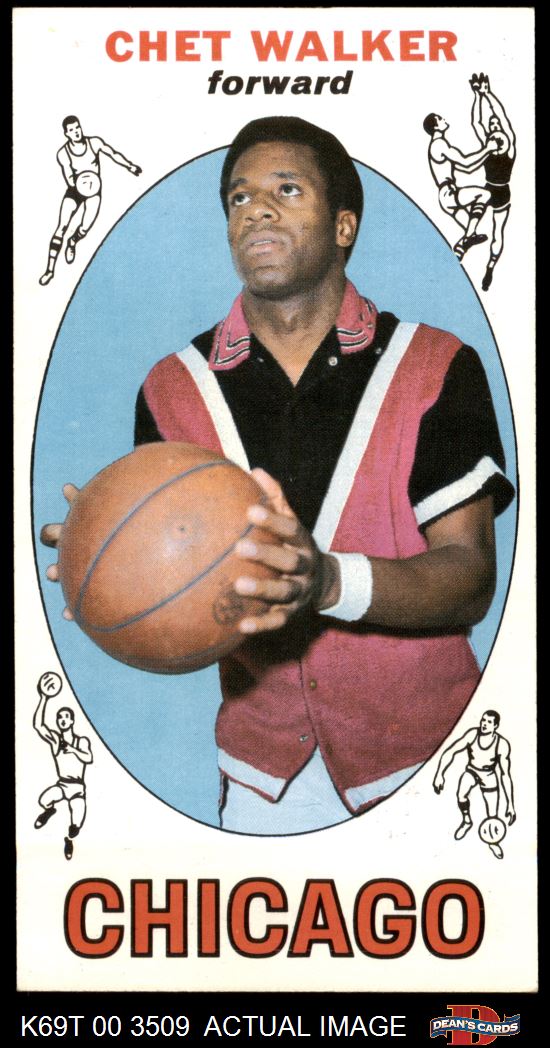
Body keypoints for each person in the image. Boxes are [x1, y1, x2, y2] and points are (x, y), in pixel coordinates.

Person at [42, 116, 514, 836]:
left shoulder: (434, 363)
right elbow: (188, 605)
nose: (256, 209)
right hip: (262, 776)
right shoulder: (172, 386)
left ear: (344, 225)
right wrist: (109, 568)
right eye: (239, 197)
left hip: (426, 755)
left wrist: (327, 582)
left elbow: (471, 576)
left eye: (286, 190)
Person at [39, 115, 142, 286]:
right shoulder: (63, 153)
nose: (76, 132)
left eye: (77, 127)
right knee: (61, 227)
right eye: (71, 130)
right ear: (66, 134)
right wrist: (79, 183)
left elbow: (113, 154)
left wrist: (130, 166)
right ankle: (50, 270)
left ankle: (73, 241)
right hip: (75, 191)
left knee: (85, 227)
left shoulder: (94, 143)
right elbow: (69, 177)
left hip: (94, 192)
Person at [432, 710, 515, 858]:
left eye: (489, 722)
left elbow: (505, 775)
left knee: (492, 815)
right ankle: (467, 821)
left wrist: (510, 804)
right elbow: (451, 751)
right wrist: (439, 774)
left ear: (495, 726)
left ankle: (493, 842)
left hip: (488, 775)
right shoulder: (473, 735)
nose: (484, 724)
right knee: (461, 794)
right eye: (483, 720)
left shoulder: (502, 745)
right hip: (472, 771)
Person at [423, 111, 499, 260]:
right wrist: (488, 149)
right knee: (485, 194)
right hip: (449, 193)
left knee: (469, 233)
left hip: (446, 196)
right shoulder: (439, 144)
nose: (444, 119)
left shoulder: (439, 144)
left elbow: (468, 168)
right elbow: (466, 162)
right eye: (440, 118)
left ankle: (459, 251)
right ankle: (467, 239)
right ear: (436, 126)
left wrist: (487, 153)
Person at [33, 683, 93, 860]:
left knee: (76, 825)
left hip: (77, 788)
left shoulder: (81, 741)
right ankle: (49, 811)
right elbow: (39, 726)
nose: (63, 720)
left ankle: (69, 839)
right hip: (62, 784)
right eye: (60, 718)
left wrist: (73, 749)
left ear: (72, 721)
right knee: (43, 800)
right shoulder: (56, 741)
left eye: (66, 717)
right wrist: (44, 698)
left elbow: (88, 758)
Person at [469, 73, 516, 290]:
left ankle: (490, 266)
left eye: (497, 125)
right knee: (473, 209)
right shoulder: (488, 146)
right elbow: (476, 122)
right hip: (488, 188)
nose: (495, 126)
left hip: (502, 192)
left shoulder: (509, 148)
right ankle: (468, 237)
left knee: (498, 232)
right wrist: (478, 96)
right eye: (492, 125)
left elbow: (503, 119)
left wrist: (488, 94)